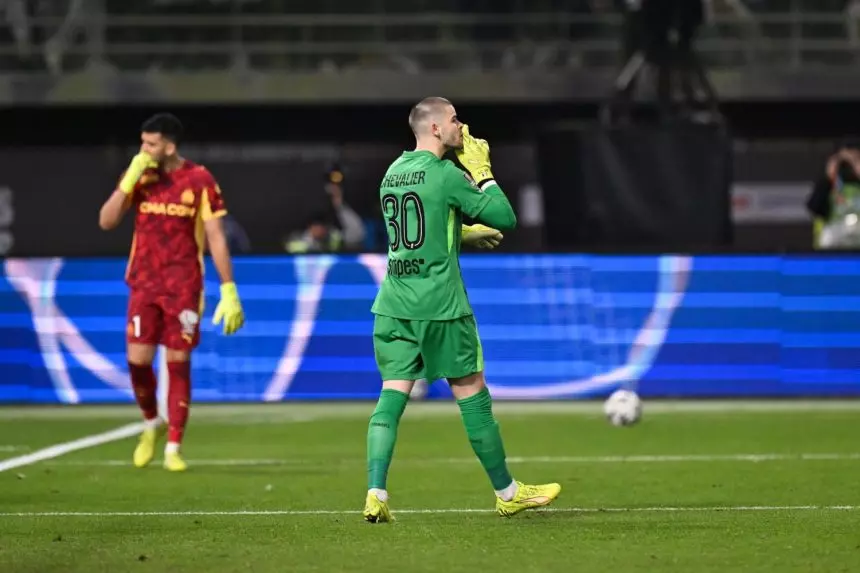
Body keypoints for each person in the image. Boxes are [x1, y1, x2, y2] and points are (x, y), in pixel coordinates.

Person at [363, 96, 561, 523]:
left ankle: (375, 492)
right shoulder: (447, 174)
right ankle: (508, 493)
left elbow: (414, 236)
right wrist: (483, 172)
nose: (461, 127)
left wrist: (460, 235)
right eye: (454, 120)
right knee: (472, 393)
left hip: (394, 304)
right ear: (436, 128)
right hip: (441, 305)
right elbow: (505, 217)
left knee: (391, 396)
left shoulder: (393, 172)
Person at [98, 113, 245, 472]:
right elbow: (107, 221)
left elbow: (215, 236)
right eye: (142, 142)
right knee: (138, 361)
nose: (144, 149)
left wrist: (228, 287)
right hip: (144, 283)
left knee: (178, 363)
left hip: (183, 286)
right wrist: (128, 180)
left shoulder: (199, 179)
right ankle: (152, 422)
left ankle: (174, 448)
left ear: (169, 146)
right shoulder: (140, 175)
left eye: (151, 143)